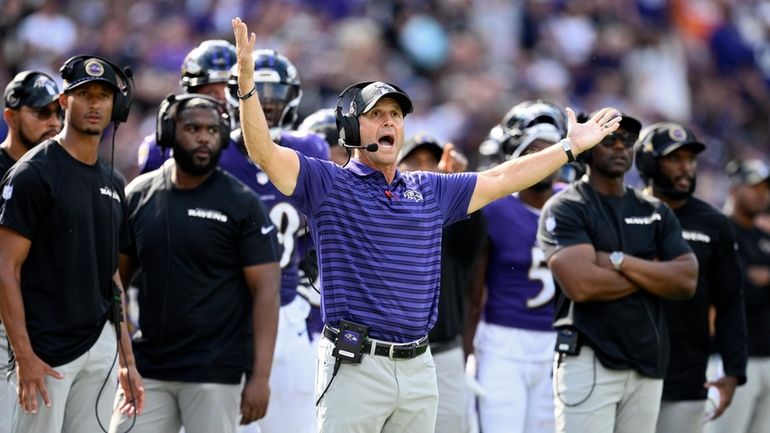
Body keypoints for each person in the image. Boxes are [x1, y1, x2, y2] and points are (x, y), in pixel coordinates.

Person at [232, 17, 623, 433]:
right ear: (350, 127)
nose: (389, 122)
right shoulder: (327, 182)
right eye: (376, 114)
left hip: (419, 365)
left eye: (396, 115)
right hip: (355, 364)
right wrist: (247, 87)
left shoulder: (428, 189)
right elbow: (264, 152)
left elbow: (501, 178)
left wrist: (569, 148)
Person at [108, 93, 281, 433]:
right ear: (169, 132)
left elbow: (266, 293)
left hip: (215, 372)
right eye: (193, 128)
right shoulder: (139, 195)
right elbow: (115, 283)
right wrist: (125, 356)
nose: (204, 137)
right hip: (149, 369)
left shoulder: (242, 203)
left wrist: (260, 377)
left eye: (213, 130)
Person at [0, 55, 144, 433]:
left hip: (99, 349)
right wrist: (24, 355)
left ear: (117, 106)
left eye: (103, 95)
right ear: (65, 101)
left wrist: (126, 358)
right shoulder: (33, 173)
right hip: (45, 352)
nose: (95, 103)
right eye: (84, 94)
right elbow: (5, 268)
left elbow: (111, 275)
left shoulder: (114, 182)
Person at [538, 113, 699, 433]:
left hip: (647, 363)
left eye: (627, 140)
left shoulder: (654, 210)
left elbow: (685, 280)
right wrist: (654, 272)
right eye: (608, 138)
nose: (620, 146)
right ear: (587, 148)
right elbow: (582, 285)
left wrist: (618, 261)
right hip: (590, 359)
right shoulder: (566, 206)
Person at [223, 49, 328, 433]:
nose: (266, 101)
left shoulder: (309, 149)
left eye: (275, 93)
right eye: (257, 90)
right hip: (225, 313)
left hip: (287, 309)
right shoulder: (212, 151)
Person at [632, 122, 747, 433]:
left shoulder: (714, 223)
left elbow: (730, 299)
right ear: (647, 163)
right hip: (626, 371)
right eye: (674, 159)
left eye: (690, 159)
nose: (685, 168)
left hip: (688, 375)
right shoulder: (626, 211)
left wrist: (734, 371)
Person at [467, 100, 567, 433]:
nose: (542, 160)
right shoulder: (495, 207)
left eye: (549, 150)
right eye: (533, 149)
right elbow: (474, 293)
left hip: (557, 342)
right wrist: (466, 354)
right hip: (502, 342)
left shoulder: (573, 203)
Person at [397, 133, 483, 433]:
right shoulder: (378, 214)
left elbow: (473, 233)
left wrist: (459, 185)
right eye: (414, 161)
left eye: (431, 161)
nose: (425, 168)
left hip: (443, 352)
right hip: (388, 354)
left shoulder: (456, 222)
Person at [0, 70, 62, 433]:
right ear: (10, 115)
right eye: (41, 112)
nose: (53, 122)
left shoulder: (61, 171)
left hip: (49, 325)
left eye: (57, 112)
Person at [712, 159, 770, 433]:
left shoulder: (763, 236)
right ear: (734, 189)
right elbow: (739, 292)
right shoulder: (719, 229)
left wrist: (763, 276)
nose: (762, 194)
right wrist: (755, 280)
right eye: (754, 187)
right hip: (733, 358)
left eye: (765, 188)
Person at [138, 39, 237, 173]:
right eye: (211, 93)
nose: (223, 100)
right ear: (191, 94)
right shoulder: (160, 147)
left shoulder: (257, 144)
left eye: (230, 91)